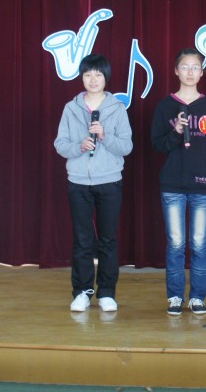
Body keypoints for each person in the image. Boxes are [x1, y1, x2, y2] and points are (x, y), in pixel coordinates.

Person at [54, 53, 133, 313]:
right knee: (82, 239)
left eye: (98, 74)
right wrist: (78, 146)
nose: (93, 79)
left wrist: (105, 136)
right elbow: (60, 144)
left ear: (106, 77)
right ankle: (82, 292)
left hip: (109, 182)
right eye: (88, 75)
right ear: (82, 78)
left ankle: (107, 292)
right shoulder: (71, 108)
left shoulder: (117, 108)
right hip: (78, 182)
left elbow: (126, 146)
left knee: (108, 240)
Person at [151, 48, 206, 316]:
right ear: (176, 71)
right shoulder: (165, 106)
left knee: (199, 243)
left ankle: (197, 297)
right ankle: (174, 297)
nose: (190, 72)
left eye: (195, 67)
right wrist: (176, 132)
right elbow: (157, 144)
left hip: (202, 185)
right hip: (172, 185)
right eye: (185, 67)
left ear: (202, 73)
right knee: (175, 243)